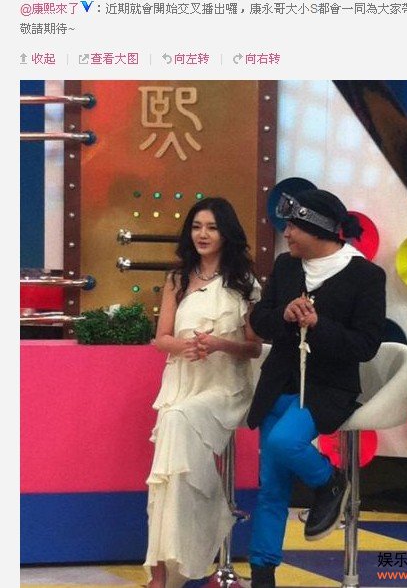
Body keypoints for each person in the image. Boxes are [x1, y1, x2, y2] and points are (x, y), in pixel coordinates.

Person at [246, 179, 386, 587]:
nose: (286, 233)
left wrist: (319, 325)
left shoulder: (366, 276)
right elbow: (260, 321)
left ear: (318, 229)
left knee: (283, 442)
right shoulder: (287, 266)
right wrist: (285, 315)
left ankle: (331, 481)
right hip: (279, 384)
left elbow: (366, 346)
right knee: (271, 487)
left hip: (328, 388)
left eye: (293, 226)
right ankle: (263, 573)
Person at [144, 197, 262, 588]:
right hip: (181, 383)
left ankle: (211, 518)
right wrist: (186, 347)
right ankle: (161, 572)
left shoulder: (245, 283)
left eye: (211, 227)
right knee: (166, 475)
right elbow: (161, 338)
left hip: (225, 387)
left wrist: (219, 345)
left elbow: (254, 348)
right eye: (196, 227)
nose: (203, 234)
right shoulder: (177, 279)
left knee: (177, 423)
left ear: (226, 233)